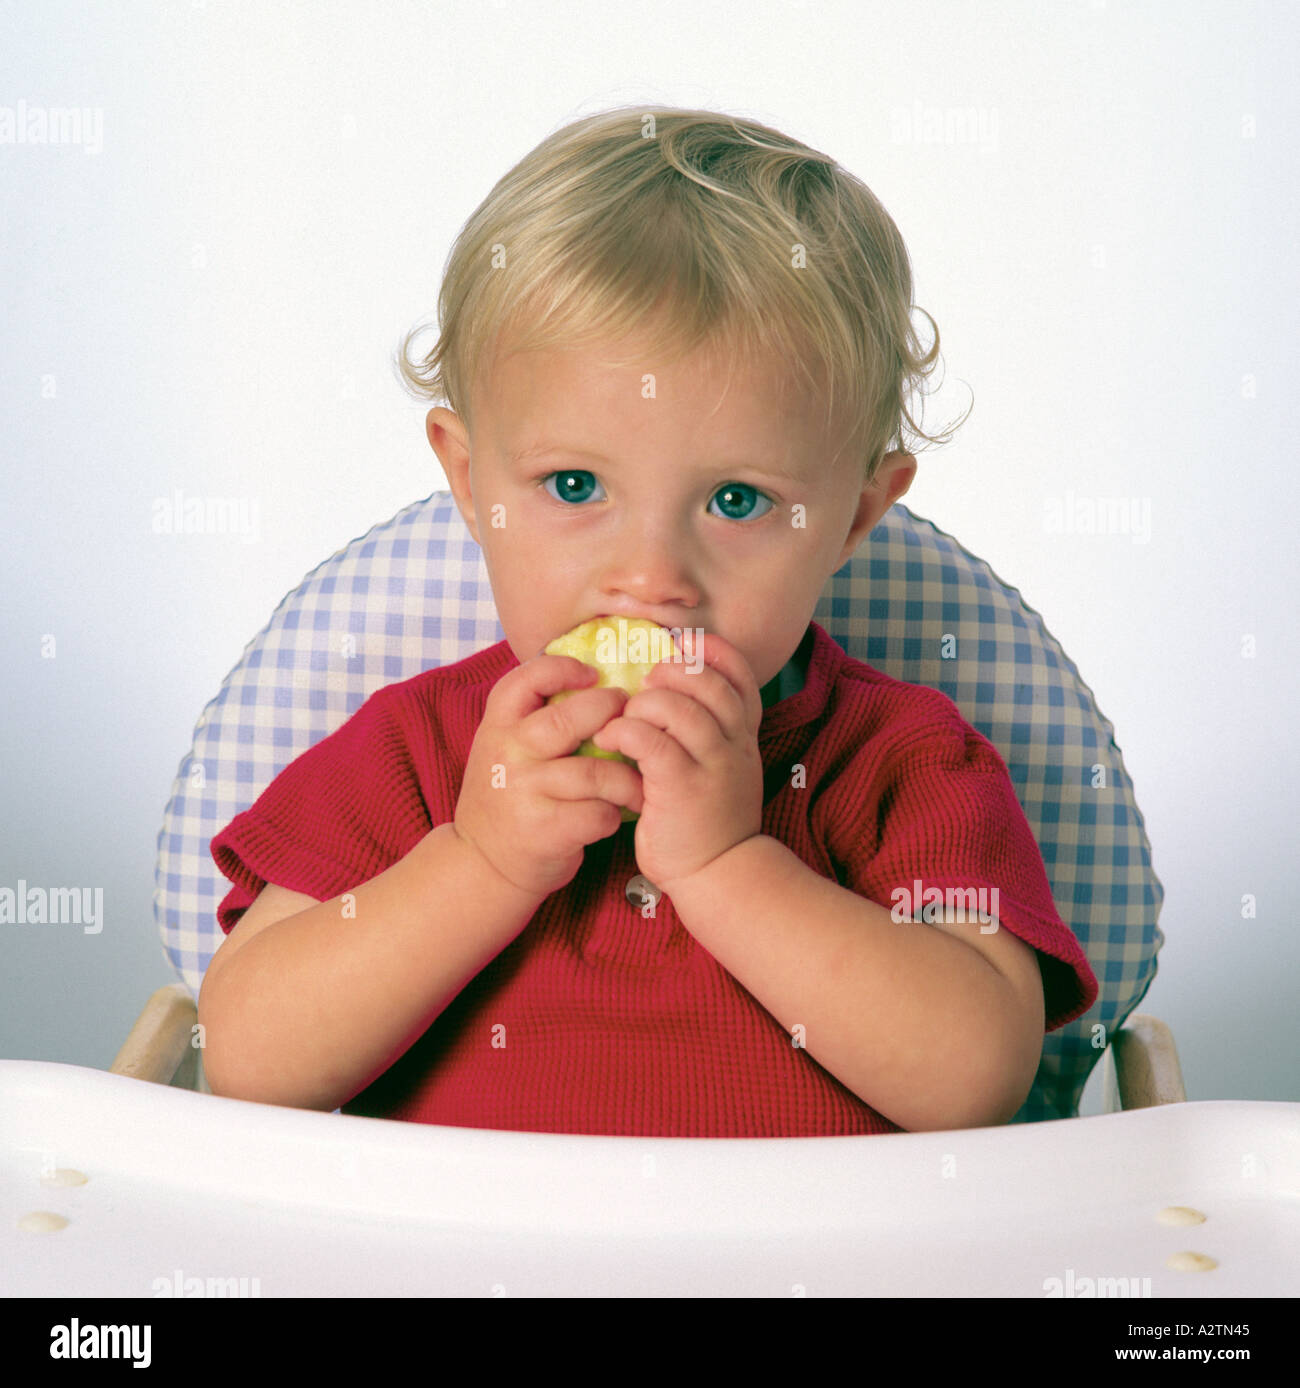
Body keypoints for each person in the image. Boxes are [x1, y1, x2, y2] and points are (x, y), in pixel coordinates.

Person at [201, 106, 1097, 1137]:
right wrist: (480, 864)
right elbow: (248, 1058)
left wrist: (727, 867)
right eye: (574, 483)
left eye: (736, 501)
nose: (649, 577)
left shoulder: (904, 767)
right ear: (467, 476)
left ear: (854, 515)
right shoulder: (413, 753)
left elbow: (972, 1079)